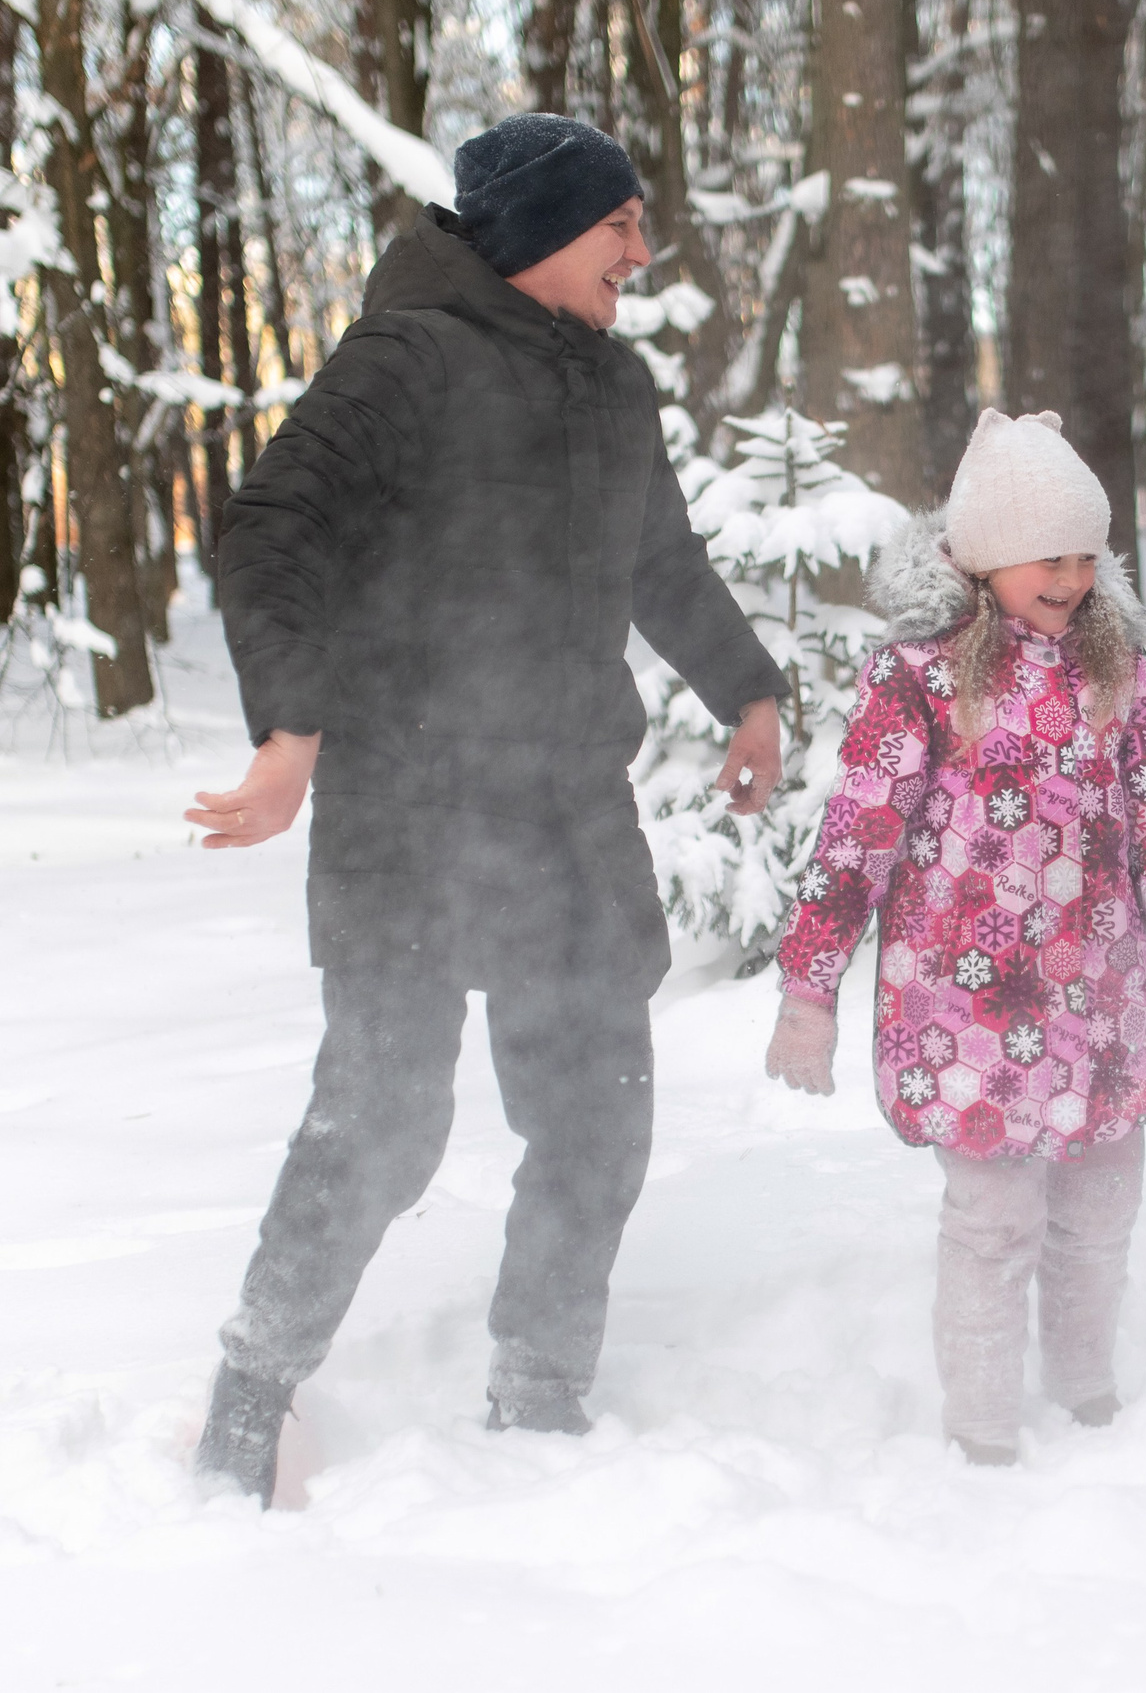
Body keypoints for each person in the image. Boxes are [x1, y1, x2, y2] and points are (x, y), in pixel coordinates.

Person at [186, 115, 791, 1503]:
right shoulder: (406, 359)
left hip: (566, 806)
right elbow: (271, 526)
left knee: (597, 1107)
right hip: (407, 803)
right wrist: (291, 724)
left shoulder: (614, 384)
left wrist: (747, 693)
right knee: (385, 1116)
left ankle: (540, 1390)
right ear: (534, 231)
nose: (643, 246)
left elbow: (661, 559)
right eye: (619, 221)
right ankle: (255, 1379)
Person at [763, 408, 1146, 1466]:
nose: (1068, 578)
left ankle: (1085, 1387)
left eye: (1084, 553)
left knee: (1101, 1208)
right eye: (1044, 557)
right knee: (992, 1219)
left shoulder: (1124, 674)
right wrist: (810, 991)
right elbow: (857, 841)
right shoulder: (922, 682)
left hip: (1107, 999)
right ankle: (980, 1423)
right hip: (969, 1010)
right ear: (982, 558)